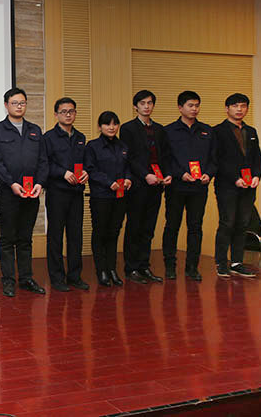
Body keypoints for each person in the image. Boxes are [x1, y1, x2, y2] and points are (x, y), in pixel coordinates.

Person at [0, 88, 48, 297]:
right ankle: (8, 280)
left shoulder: (35, 130)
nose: (19, 106)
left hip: (31, 193)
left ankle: (26, 278)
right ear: (6, 105)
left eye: (22, 103)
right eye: (14, 103)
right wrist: (12, 183)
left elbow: (43, 160)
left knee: (25, 238)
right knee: (8, 238)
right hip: (8, 193)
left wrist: (40, 183)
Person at [162, 91, 217, 281]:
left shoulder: (207, 130)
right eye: (190, 105)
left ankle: (192, 267)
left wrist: (209, 173)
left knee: (195, 227)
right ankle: (170, 266)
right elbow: (165, 159)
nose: (194, 109)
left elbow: (214, 158)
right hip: (176, 186)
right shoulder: (168, 131)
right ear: (180, 108)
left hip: (199, 187)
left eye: (197, 105)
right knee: (172, 226)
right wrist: (180, 173)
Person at [119, 90, 172, 284]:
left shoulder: (160, 129)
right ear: (136, 106)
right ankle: (131, 267)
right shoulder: (128, 128)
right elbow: (129, 157)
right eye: (142, 103)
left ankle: (144, 265)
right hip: (138, 185)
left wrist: (167, 174)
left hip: (157, 185)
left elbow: (165, 155)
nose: (146, 106)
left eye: (150, 103)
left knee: (149, 228)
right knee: (134, 226)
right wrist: (145, 175)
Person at [213, 93, 261, 278]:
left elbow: (258, 157)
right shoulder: (217, 131)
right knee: (227, 223)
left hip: (249, 186)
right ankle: (221, 262)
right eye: (235, 106)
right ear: (227, 109)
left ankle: (236, 262)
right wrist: (235, 178)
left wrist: (256, 176)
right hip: (227, 185)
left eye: (243, 106)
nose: (239, 109)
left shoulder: (251, 131)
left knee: (242, 224)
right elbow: (217, 159)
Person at [43, 97, 89, 292]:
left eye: (71, 111)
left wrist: (86, 172)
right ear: (56, 114)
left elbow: (85, 162)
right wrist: (63, 173)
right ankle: (57, 277)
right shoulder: (48, 138)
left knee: (75, 235)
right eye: (64, 112)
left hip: (76, 192)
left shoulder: (80, 137)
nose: (68, 115)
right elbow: (45, 164)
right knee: (55, 236)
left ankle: (74, 276)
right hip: (57, 192)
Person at [85, 111, 131, 287]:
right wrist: (108, 182)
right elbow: (91, 170)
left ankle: (112, 269)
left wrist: (128, 179)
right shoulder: (93, 146)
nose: (111, 127)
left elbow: (128, 167)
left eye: (114, 124)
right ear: (100, 127)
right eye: (107, 124)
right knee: (100, 232)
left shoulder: (123, 146)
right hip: (101, 196)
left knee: (114, 232)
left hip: (120, 197)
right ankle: (101, 270)